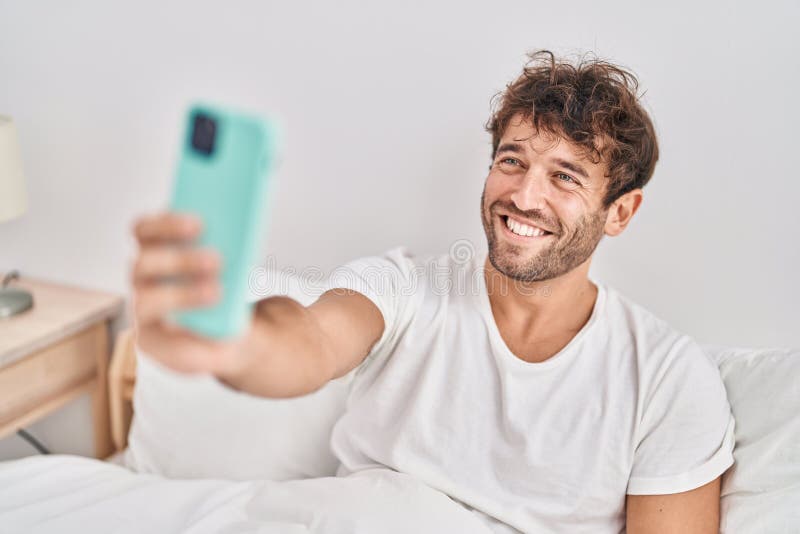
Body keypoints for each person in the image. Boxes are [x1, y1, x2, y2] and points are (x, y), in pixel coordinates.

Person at [130, 50, 734, 533]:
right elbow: (310, 340)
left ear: (620, 212)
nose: (524, 196)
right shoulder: (403, 289)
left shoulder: (666, 379)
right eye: (512, 160)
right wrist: (232, 339)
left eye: (565, 177)